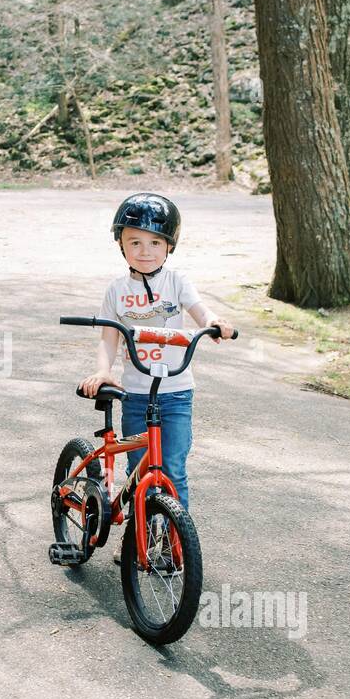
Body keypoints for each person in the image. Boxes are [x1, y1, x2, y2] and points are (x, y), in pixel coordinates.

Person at [77, 193, 235, 540]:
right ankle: (142, 539)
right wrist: (104, 371)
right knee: (140, 471)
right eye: (134, 241)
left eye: (154, 242)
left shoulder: (176, 281)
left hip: (176, 394)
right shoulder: (116, 291)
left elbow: (199, 309)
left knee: (172, 471)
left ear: (169, 246)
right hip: (135, 395)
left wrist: (214, 322)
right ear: (121, 245)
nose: (144, 250)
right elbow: (108, 338)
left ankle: (174, 543)